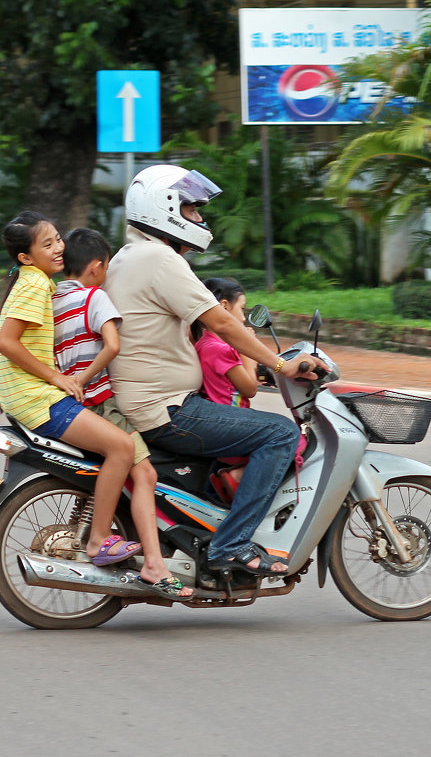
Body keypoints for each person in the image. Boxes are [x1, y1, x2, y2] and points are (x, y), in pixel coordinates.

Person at [103, 165, 327, 578]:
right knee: (280, 434)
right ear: (164, 209)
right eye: (191, 210)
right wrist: (280, 364)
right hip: (167, 408)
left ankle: (208, 526)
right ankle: (232, 545)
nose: (200, 220)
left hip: (148, 399)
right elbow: (223, 323)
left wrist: (256, 370)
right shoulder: (159, 258)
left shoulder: (131, 255)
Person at [0, 212, 191, 600]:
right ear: (26, 257)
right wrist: (57, 378)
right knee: (123, 446)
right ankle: (99, 541)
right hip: (38, 399)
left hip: (31, 397)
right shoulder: (35, 284)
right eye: (46, 244)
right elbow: (6, 343)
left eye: (58, 239)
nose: (58, 247)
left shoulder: (45, 285)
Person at [191, 277, 258, 502]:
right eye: (242, 308)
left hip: (217, 420)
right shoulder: (220, 349)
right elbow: (249, 388)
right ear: (224, 307)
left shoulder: (204, 343)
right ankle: (238, 476)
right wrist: (248, 348)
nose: (244, 317)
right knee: (291, 439)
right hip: (230, 425)